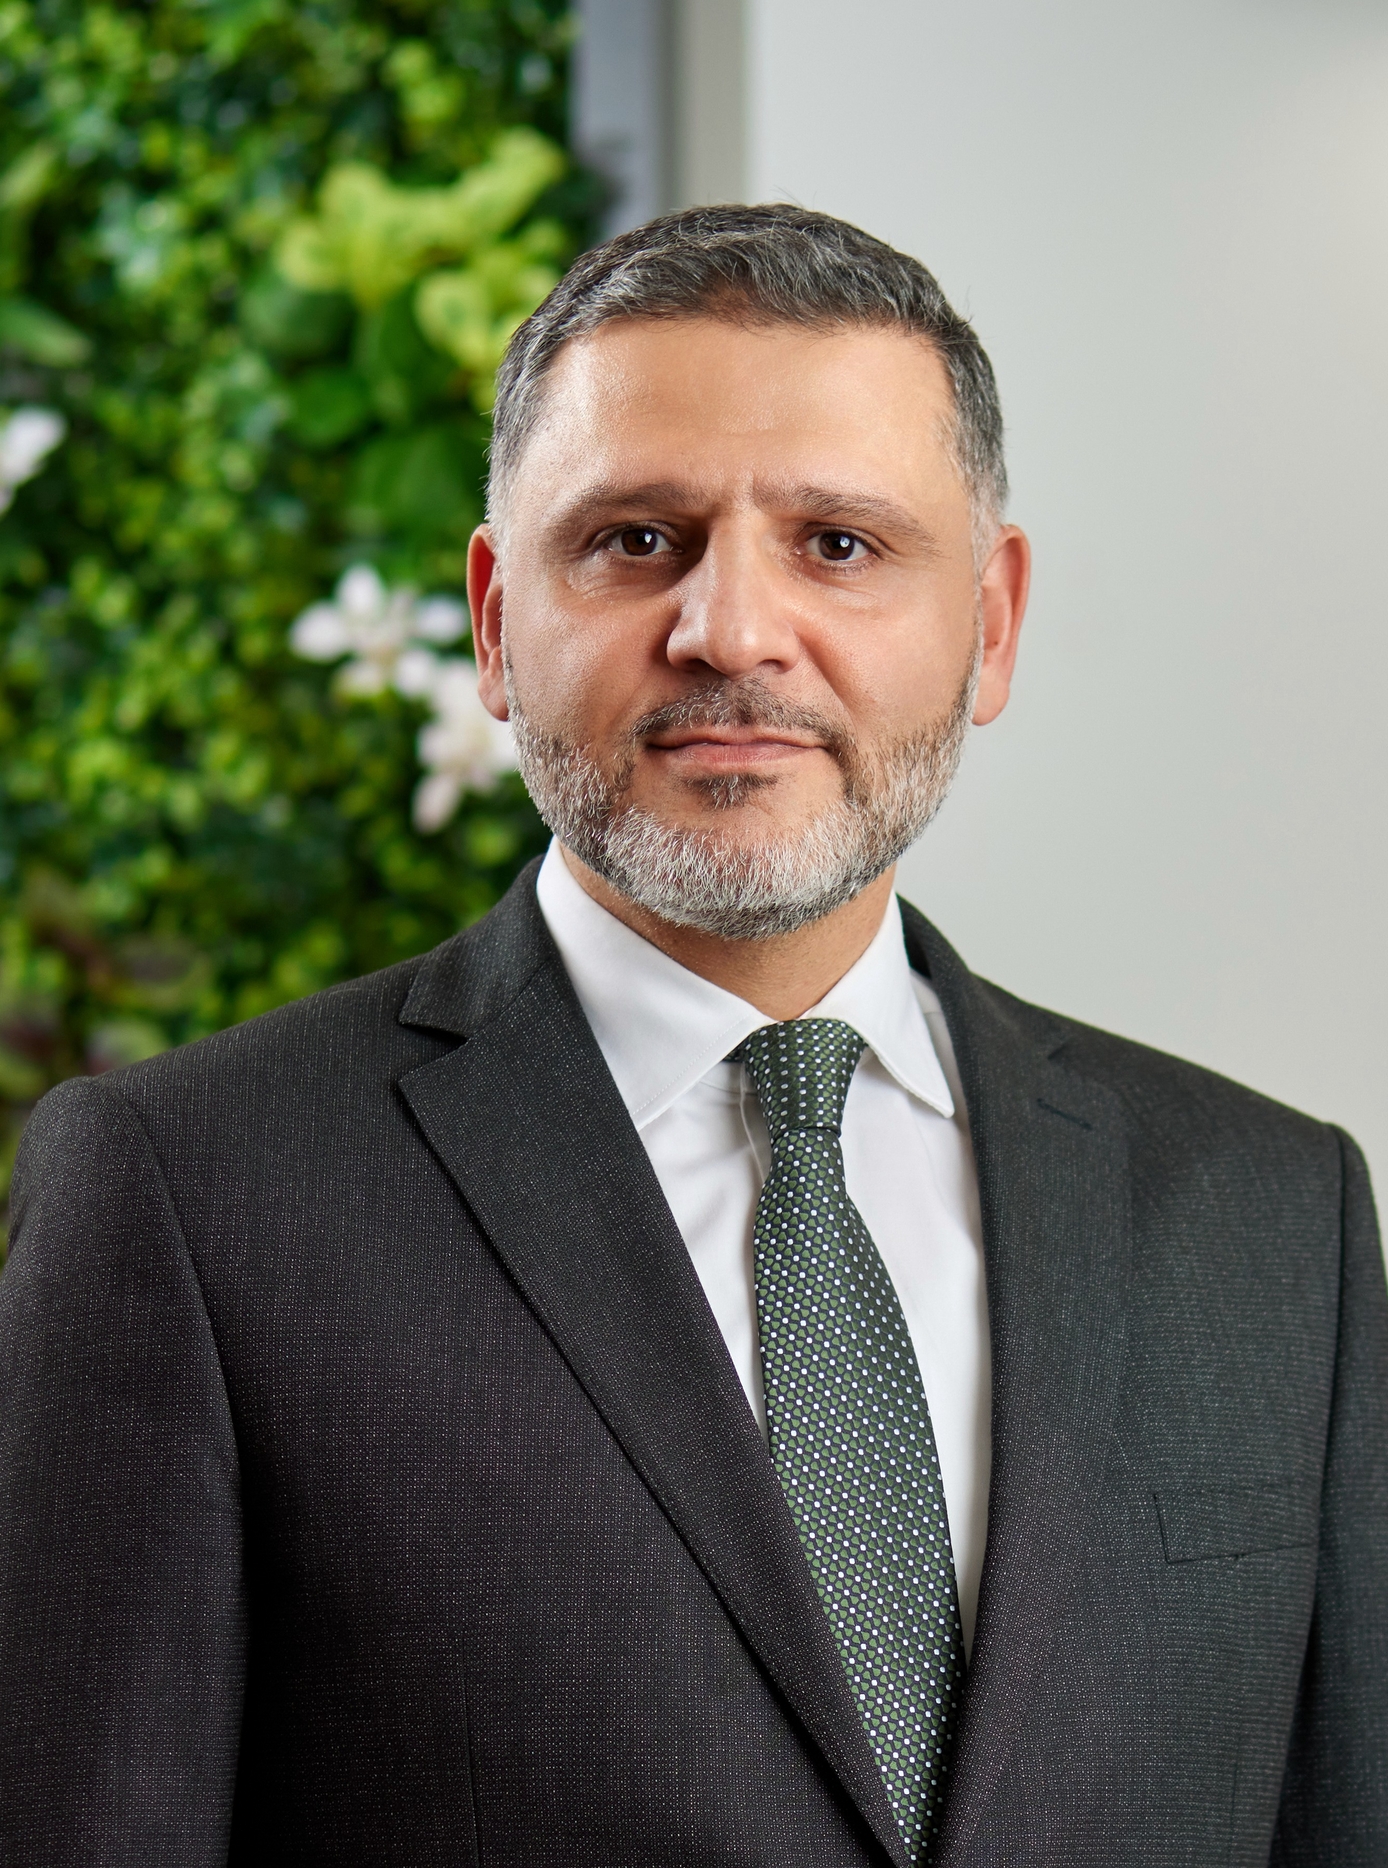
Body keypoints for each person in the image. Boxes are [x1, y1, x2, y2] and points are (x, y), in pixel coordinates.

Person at [1, 204, 1384, 1868]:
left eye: (840, 545)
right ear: (496, 621)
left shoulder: (1275, 1219)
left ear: (995, 623)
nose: (731, 629)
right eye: (639, 539)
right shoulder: (188, 1199)